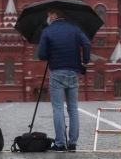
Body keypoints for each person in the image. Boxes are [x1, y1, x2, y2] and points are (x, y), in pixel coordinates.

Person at [38, 8, 91, 152]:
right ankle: (73, 143)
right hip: (73, 72)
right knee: (73, 108)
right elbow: (86, 44)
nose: (47, 17)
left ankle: (60, 143)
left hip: (56, 73)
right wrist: (84, 63)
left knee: (58, 108)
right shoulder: (74, 28)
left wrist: (49, 50)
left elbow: (41, 55)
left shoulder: (47, 31)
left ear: (54, 15)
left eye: (48, 14)